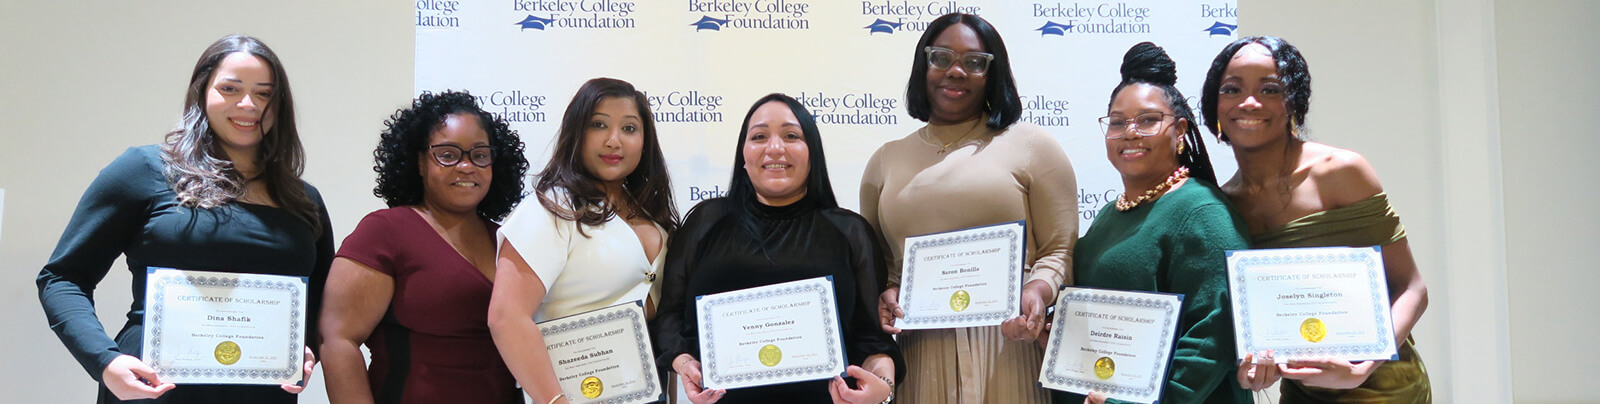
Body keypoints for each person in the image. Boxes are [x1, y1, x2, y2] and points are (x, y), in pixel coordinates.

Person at [36, 34, 326, 403]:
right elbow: (62, 277)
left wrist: (304, 346)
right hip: (151, 390)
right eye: (230, 88)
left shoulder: (303, 200)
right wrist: (105, 362)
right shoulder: (143, 170)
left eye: (265, 93)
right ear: (202, 93)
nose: (248, 104)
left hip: (262, 392)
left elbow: (318, 299)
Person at [861, 12, 1078, 404]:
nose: (956, 71)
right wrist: (887, 296)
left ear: (992, 73)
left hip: (1008, 346)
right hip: (919, 352)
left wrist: (1038, 290)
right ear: (923, 65)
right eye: (941, 57)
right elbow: (883, 268)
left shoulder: (1032, 146)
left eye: (974, 62)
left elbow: (1058, 250)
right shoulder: (884, 161)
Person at [1202, 36, 1432, 403]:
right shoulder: (1221, 204)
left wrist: (1361, 369)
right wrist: (1253, 368)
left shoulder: (1339, 172)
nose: (1249, 102)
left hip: (1385, 386)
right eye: (1232, 89)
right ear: (1214, 104)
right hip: (1302, 392)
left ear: (1294, 101)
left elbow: (1412, 288)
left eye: (1270, 89)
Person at [653, 94, 904, 404]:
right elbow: (669, 317)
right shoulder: (705, 223)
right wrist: (683, 362)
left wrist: (883, 387)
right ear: (743, 155)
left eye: (791, 136)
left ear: (812, 151)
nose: (774, 148)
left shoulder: (850, 232)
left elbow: (872, 341)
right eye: (759, 136)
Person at [1051, 42, 1251, 404]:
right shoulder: (1110, 215)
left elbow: (1211, 339)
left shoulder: (1202, 212)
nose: (1130, 132)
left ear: (1179, 131)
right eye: (1117, 122)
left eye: (1148, 120)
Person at [319, 91, 529, 403]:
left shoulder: (508, 241)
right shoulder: (386, 231)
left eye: (480, 155)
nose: (466, 166)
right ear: (419, 161)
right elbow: (338, 340)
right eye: (448, 154)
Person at [487, 77, 680, 404]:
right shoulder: (551, 208)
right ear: (577, 133)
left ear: (645, 141)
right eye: (598, 125)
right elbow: (506, 317)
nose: (613, 141)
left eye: (629, 129)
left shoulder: (655, 216)